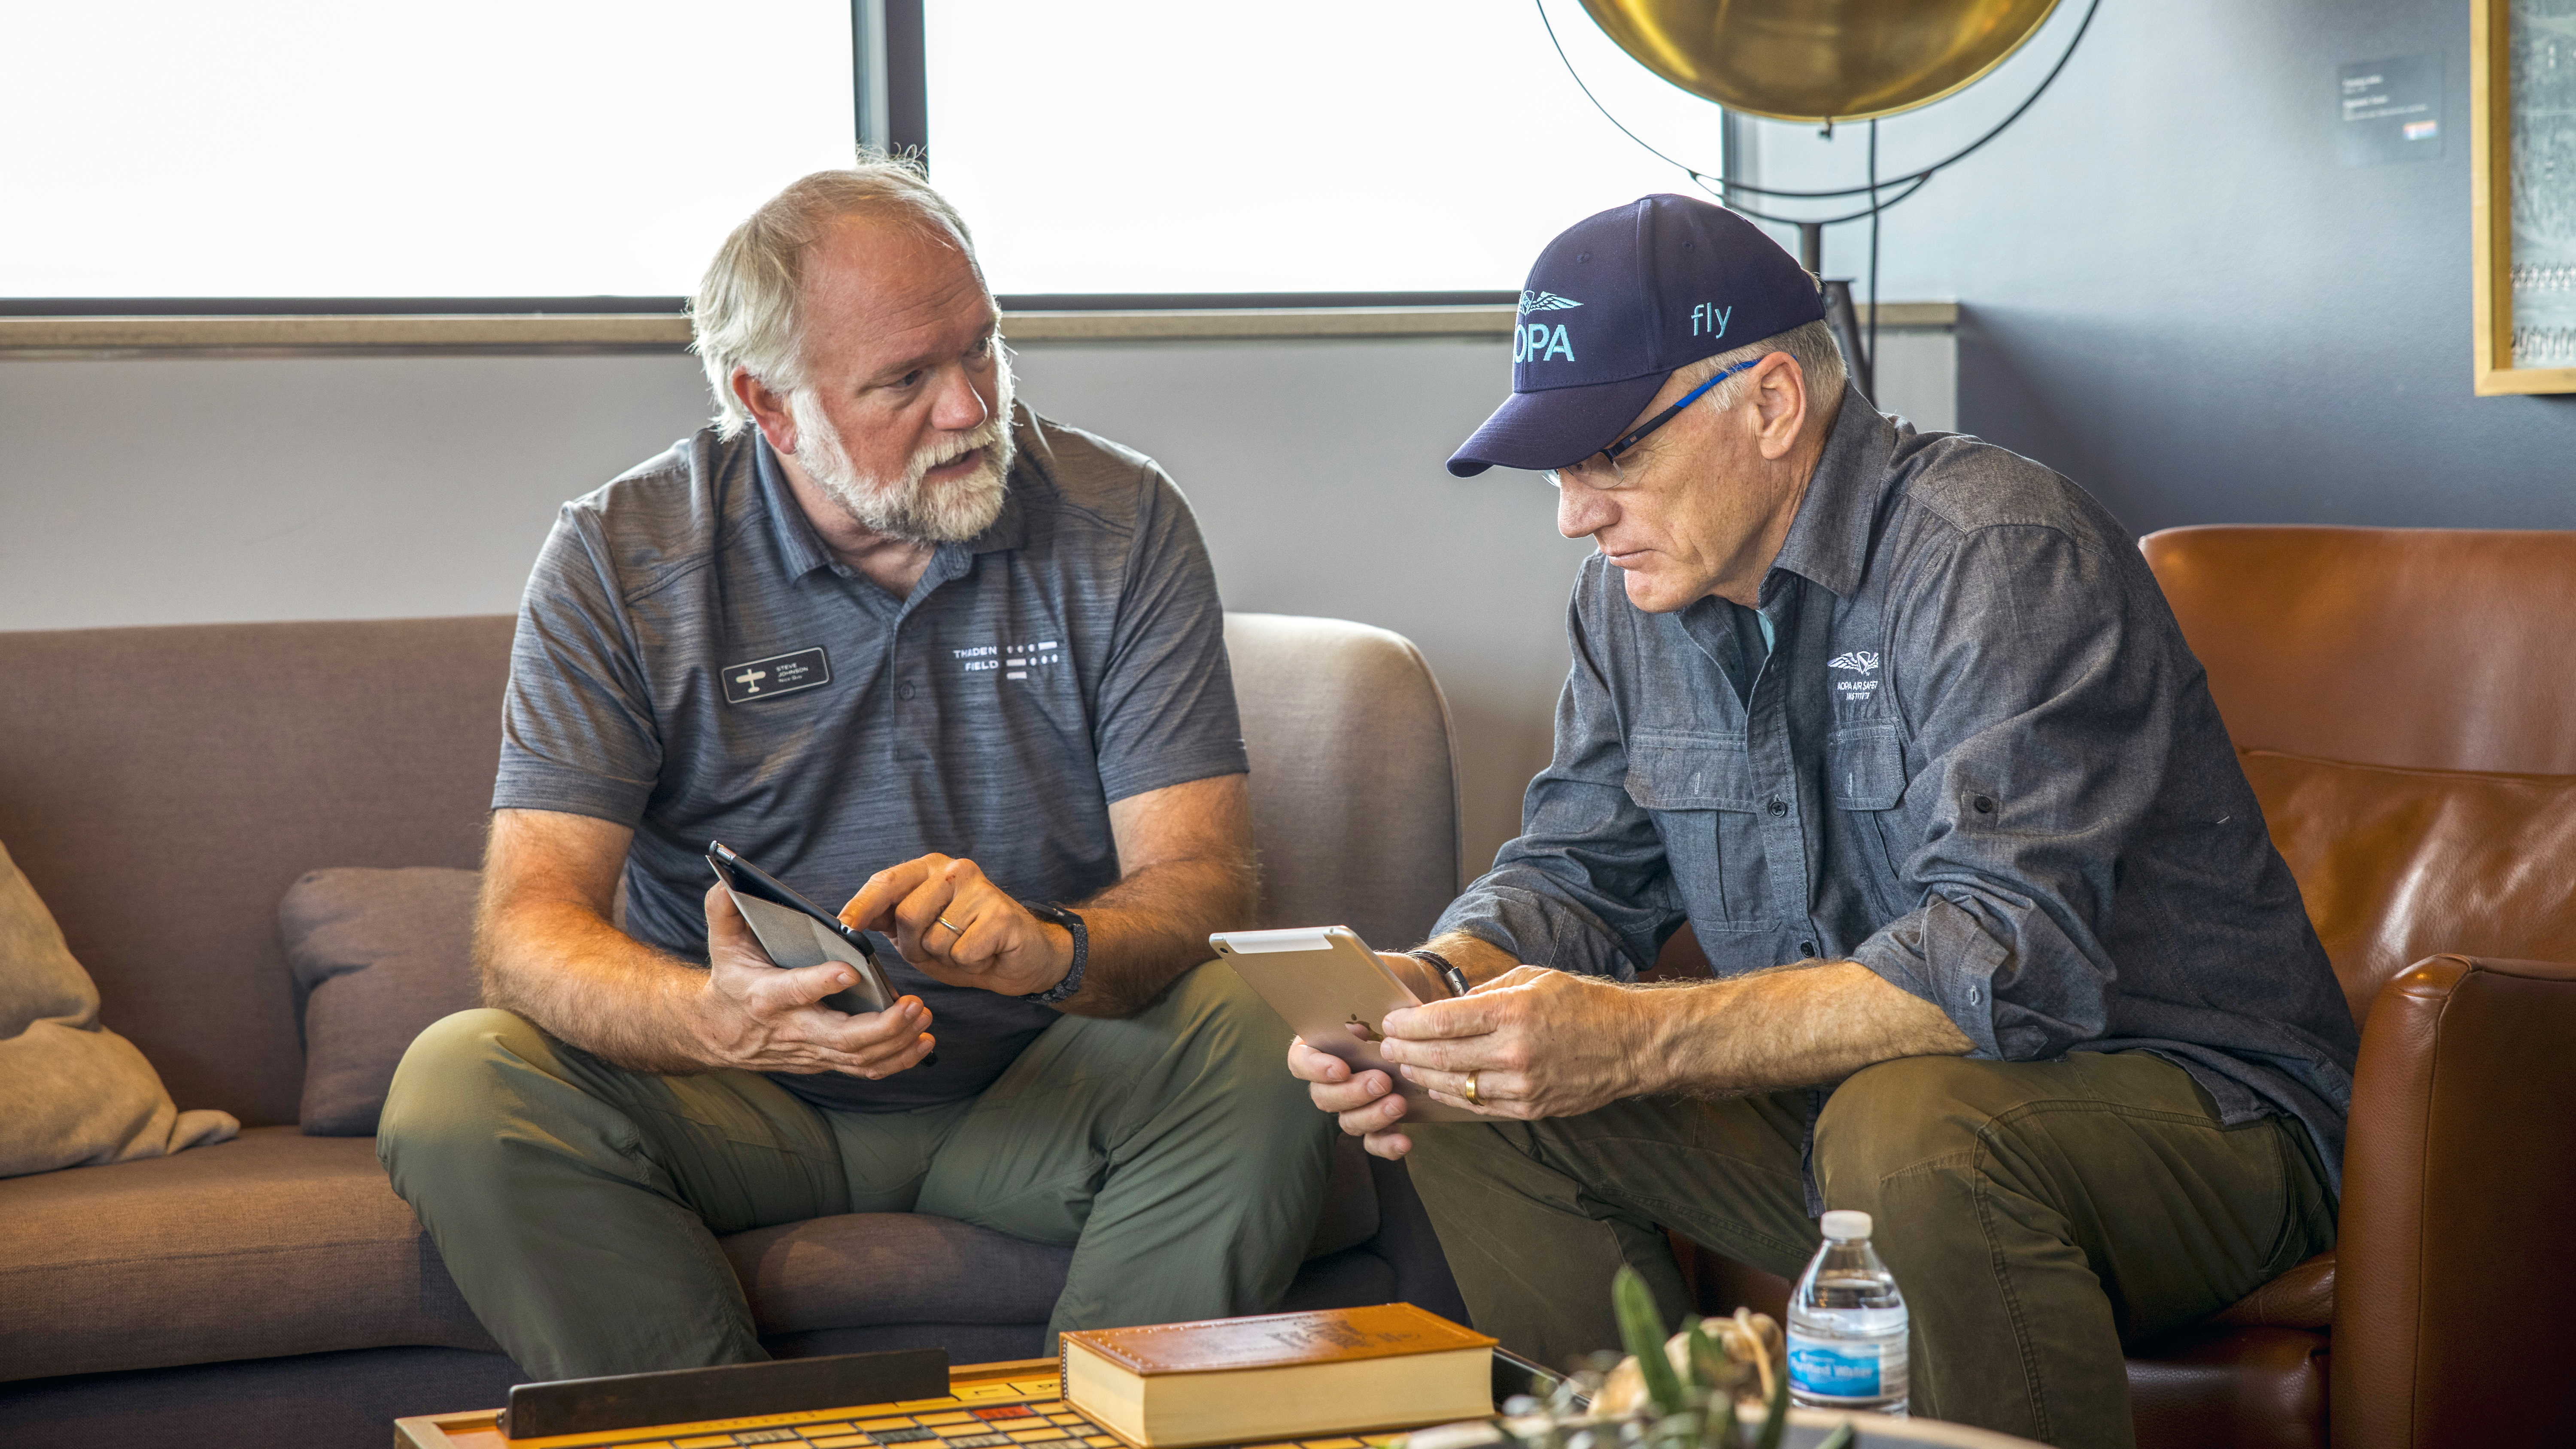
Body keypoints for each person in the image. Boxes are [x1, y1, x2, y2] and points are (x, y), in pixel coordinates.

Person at [1288, 195, 2357, 1449]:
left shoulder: (1997, 555)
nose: (1575, 512)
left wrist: (1632, 1039)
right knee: (1480, 1108)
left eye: (1612, 455)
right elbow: (1575, 878)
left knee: (1911, 1130)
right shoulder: (1629, 602)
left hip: (2200, 1118)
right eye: (1559, 469)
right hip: (1855, 1112)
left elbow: (2006, 965)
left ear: (1774, 405)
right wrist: (1433, 997)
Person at [378, 160, 1332, 1381]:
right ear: (768, 406)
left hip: (1039, 1085)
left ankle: (1106, 1426)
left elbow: (1201, 879)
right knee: (459, 1079)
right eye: (906, 381)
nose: (969, 407)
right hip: (742, 1103)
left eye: (983, 350)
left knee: (1266, 1030)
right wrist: (717, 1022)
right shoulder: (621, 556)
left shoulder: (1120, 519)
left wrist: (1052, 946)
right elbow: (526, 928)